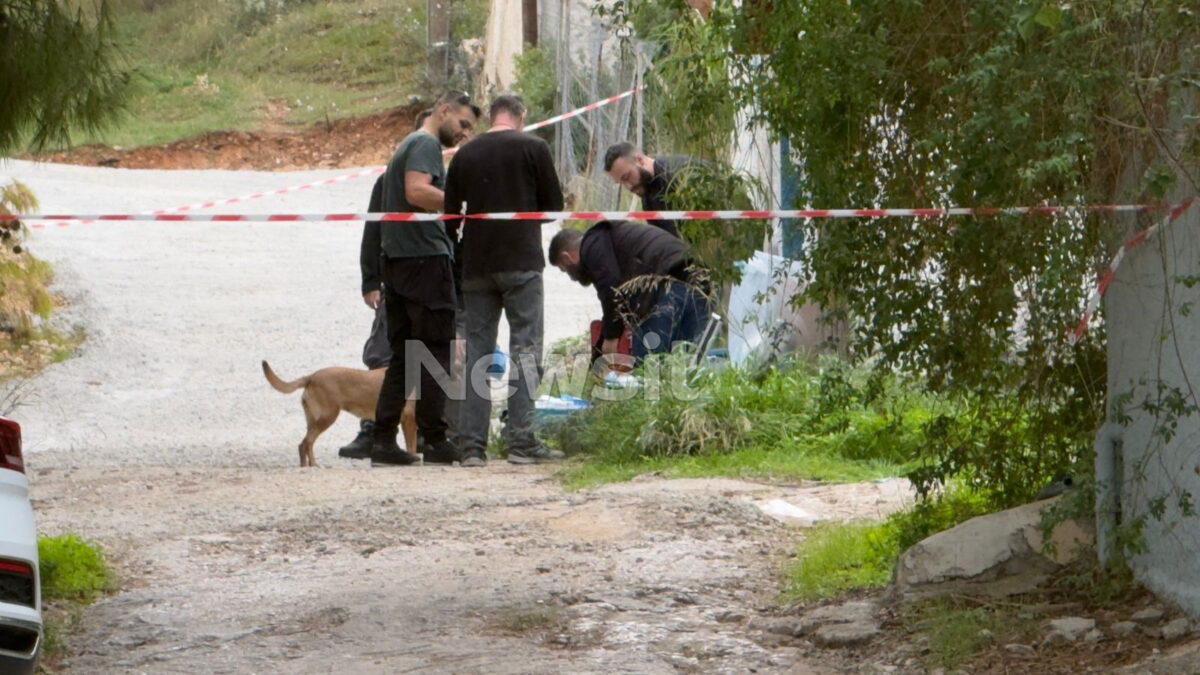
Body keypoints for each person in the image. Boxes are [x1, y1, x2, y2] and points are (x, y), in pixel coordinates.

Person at [443, 93, 565, 466]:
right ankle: (521, 442)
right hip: (522, 263)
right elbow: (553, 208)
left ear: (493, 116)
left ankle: (471, 447)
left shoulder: (465, 153)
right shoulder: (534, 148)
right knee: (525, 349)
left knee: (478, 352)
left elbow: (451, 214)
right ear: (520, 115)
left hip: (477, 266)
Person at [370, 91, 480, 466]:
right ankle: (435, 439)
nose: (464, 133)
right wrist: (460, 206)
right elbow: (416, 191)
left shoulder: (407, 143)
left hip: (399, 263)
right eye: (462, 124)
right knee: (437, 351)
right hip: (424, 260)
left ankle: (383, 439)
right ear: (443, 110)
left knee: (403, 356)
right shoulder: (424, 144)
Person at [548, 221, 711, 362]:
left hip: (666, 285)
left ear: (566, 258)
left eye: (565, 269)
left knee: (648, 368)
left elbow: (610, 289)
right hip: (697, 281)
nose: (572, 278)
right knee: (687, 366)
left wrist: (611, 338)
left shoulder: (591, 244)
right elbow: (617, 298)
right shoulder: (610, 241)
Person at [603, 141, 698, 238]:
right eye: (621, 183)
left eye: (627, 177)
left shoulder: (682, 172)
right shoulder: (647, 194)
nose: (628, 186)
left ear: (640, 160)